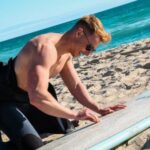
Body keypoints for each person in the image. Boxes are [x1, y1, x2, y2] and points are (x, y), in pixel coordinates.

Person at [0, 15, 126, 150]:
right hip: (4, 100)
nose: (88, 54)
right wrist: (76, 114)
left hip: (27, 100)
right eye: (89, 47)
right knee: (33, 147)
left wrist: (99, 108)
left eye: (92, 50)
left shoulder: (66, 54)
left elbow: (76, 86)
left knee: (67, 129)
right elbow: (37, 95)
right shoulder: (45, 48)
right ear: (79, 33)